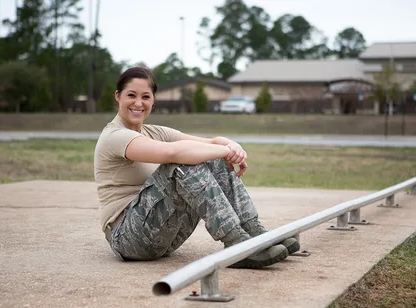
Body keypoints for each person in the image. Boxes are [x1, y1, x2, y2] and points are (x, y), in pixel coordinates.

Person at [94, 65, 299, 269]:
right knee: (181, 164)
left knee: (208, 157)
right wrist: (224, 152)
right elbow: (173, 154)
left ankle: (254, 233)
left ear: (153, 100)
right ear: (118, 96)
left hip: (162, 236)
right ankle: (237, 244)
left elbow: (210, 143)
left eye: (145, 97)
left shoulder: (154, 132)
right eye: (131, 95)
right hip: (128, 239)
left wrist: (231, 146)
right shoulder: (114, 136)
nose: (138, 103)